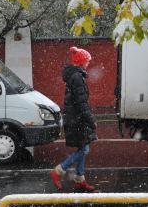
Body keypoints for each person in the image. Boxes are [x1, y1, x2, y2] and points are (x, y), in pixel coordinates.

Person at [50, 46, 97, 192]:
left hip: (74, 118)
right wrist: (91, 120)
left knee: (83, 147)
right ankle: (58, 171)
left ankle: (79, 179)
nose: (88, 63)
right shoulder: (77, 77)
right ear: (82, 62)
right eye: (87, 60)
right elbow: (81, 103)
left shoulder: (75, 75)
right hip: (77, 119)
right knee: (84, 149)